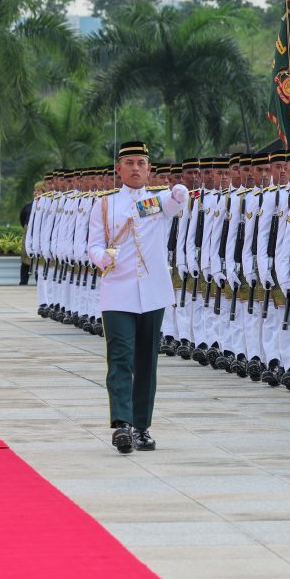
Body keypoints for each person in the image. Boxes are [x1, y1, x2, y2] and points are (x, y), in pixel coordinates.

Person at [88, 141, 188, 454]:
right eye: (129, 162)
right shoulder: (105, 205)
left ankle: (142, 427)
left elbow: (174, 206)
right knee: (120, 357)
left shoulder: (157, 201)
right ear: (118, 169)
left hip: (153, 293)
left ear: (149, 170)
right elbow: (91, 245)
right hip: (118, 291)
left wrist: (180, 192)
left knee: (147, 361)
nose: (135, 168)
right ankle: (121, 424)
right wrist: (100, 256)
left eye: (141, 163)